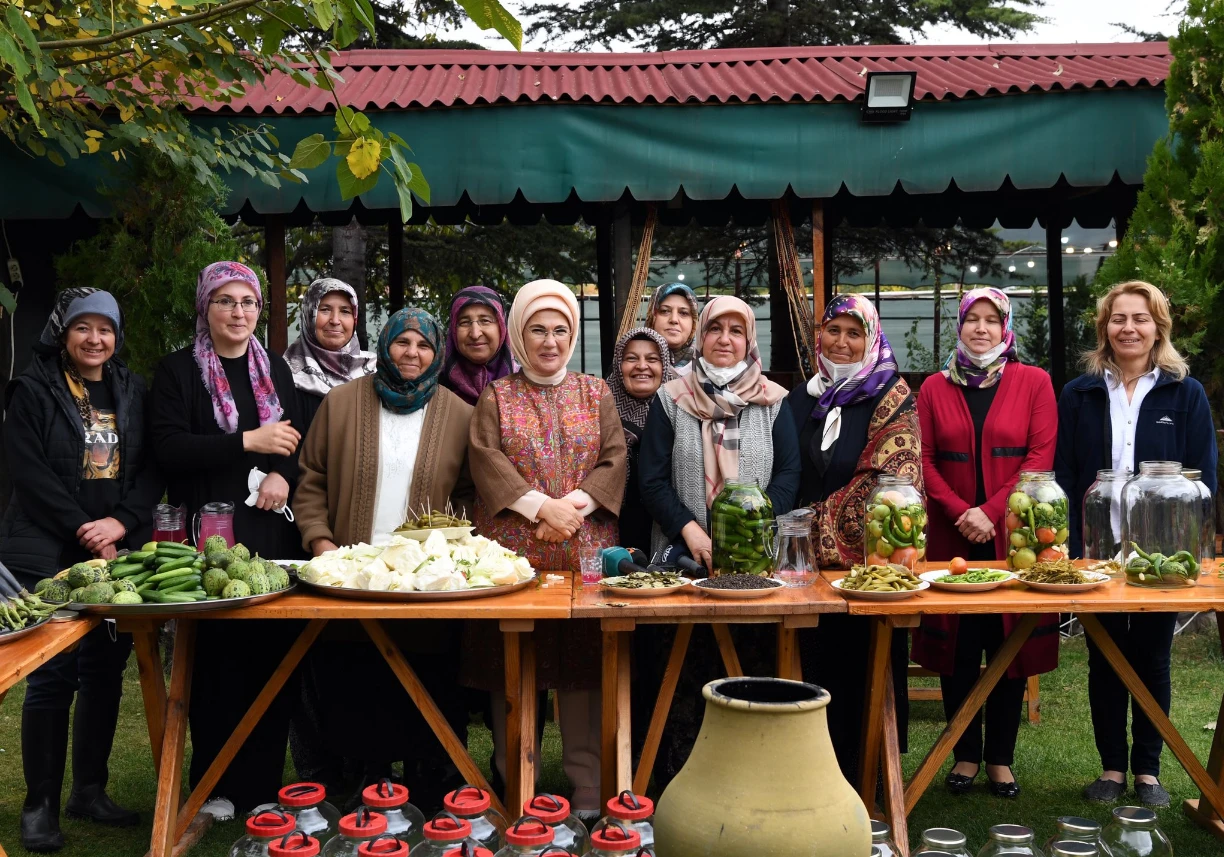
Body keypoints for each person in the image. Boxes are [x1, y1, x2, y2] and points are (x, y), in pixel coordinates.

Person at [293, 306, 474, 809]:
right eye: (402, 343)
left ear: (436, 353)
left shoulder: (459, 413)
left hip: (425, 580)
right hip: (352, 572)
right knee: (356, 673)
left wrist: (446, 548)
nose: (411, 354)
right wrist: (321, 543)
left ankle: (428, 782)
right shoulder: (341, 403)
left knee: (426, 673)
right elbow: (311, 479)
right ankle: (361, 781)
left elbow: (467, 492)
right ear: (384, 346)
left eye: (423, 345)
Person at [3, 289, 161, 852]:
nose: (95, 339)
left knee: (103, 669)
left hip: (114, 550)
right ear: (63, 332)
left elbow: (150, 467)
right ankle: (40, 805)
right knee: (51, 674)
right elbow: (30, 473)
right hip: (49, 550)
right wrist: (84, 528)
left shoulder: (133, 390)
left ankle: (89, 790)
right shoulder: (32, 390)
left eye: (106, 329)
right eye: (83, 328)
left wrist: (120, 523)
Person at [149, 261, 306, 818]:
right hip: (209, 540)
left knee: (272, 661)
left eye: (248, 303)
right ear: (205, 308)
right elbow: (168, 449)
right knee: (216, 666)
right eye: (226, 301)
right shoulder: (177, 373)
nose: (239, 313)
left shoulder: (276, 370)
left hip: (269, 536)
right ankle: (214, 784)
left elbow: (293, 442)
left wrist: (285, 472)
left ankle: (262, 784)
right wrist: (246, 440)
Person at [465, 279, 626, 816]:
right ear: (518, 334)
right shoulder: (496, 396)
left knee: (584, 666)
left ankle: (587, 784)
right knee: (516, 663)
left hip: (585, 552)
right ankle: (518, 781)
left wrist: (571, 507)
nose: (550, 341)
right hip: (517, 555)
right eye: (538, 329)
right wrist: (539, 508)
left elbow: (613, 459)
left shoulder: (596, 392)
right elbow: (487, 458)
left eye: (561, 330)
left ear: (574, 335)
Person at [1055, 280, 1218, 807]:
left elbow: (1203, 475)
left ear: (1158, 328)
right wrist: (1072, 547)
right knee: (1104, 659)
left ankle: (1148, 771)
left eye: (1140, 319)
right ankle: (1111, 770)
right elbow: (1066, 472)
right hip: (1096, 551)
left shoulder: (1183, 392)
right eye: (1118, 318)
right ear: (1104, 327)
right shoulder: (1079, 393)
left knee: (1152, 657)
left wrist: (1196, 546)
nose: (1129, 328)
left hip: (1160, 557)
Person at [639, 295, 800, 785]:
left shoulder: (774, 400)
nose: (725, 339)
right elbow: (651, 480)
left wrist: (745, 534)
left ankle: (749, 778)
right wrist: (692, 530)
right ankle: (679, 780)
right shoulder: (671, 398)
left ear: (749, 340)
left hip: (755, 566)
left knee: (750, 668)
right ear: (701, 336)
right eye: (715, 329)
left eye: (736, 330)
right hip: (685, 561)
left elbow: (789, 475)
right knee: (683, 671)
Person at [911, 288, 1059, 799]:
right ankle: (965, 756)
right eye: (971, 319)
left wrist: (992, 512)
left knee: (1007, 645)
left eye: (991, 320)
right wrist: (962, 512)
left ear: (1005, 326)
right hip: (951, 534)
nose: (981, 329)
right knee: (958, 647)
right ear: (959, 326)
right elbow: (923, 459)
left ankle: (1000, 758)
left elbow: (1038, 456)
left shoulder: (1034, 382)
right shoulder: (932, 387)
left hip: (1013, 535)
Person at [784, 293, 918, 785]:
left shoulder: (893, 396)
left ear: (871, 338)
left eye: (853, 332)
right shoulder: (799, 399)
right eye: (832, 331)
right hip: (803, 576)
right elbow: (784, 472)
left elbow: (893, 485)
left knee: (868, 670)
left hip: (868, 574)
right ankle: (809, 779)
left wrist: (804, 525)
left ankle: (872, 784)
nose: (841, 342)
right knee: (811, 671)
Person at [606, 327, 676, 553]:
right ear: (619, 366)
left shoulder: (684, 412)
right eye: (631, 358)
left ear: (665, 366)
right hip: (612, 533)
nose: (642, 366)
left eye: (652, 359)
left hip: (671, 534)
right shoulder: (598, 410)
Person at [284, 277, 376, 429]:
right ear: (308, 313)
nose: (335, 320)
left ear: (354, 319)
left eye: (345, 311)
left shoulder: (374, 372)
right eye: (325, 309)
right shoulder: (285, 374)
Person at [441, 285, 517, 406]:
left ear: (501, 327)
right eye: (464, 322)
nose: (475, 334)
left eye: (485, 321)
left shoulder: (524, 387)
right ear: (453, 330)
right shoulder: (436, 390)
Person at [644, 282, 699, 375]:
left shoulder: (709, 366)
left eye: (684, 313)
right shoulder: (631, 361)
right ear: (652, 317)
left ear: (693, 321)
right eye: (665, 311)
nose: (674, 319)